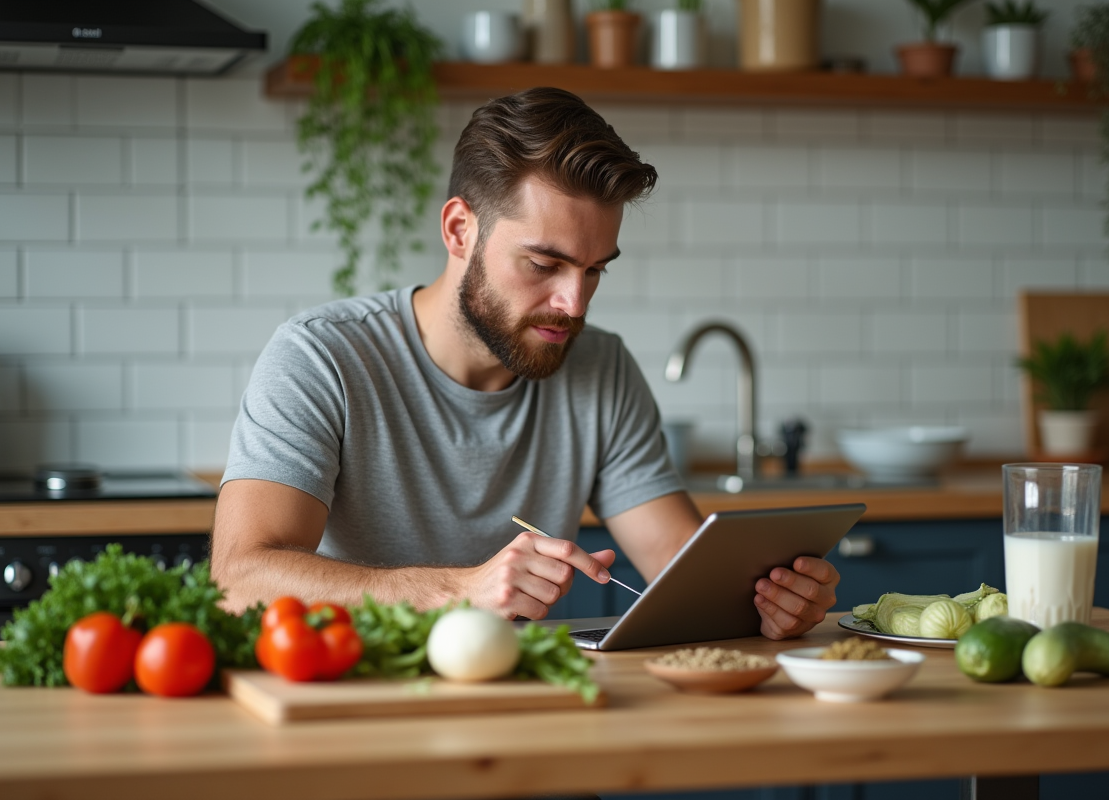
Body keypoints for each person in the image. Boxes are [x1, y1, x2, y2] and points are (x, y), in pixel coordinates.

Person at [210, 87, 839, 640]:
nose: (573, 303)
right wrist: (459, 592)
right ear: (460, 231)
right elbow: (240, 580)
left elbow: (678, 560)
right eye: (543, 265)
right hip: (355, 706)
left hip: (527, 713)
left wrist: (767, 600)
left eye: (595, 270)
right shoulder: (321, 357)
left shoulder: (600, 368)